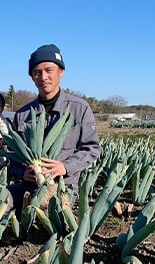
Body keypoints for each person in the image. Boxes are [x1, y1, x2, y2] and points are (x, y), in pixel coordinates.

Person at [8, 44, 101, 209]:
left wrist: (65, 167)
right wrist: (23, 172)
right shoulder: (22, 114)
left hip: (63, 187)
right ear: (32, 77)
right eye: (37, 72)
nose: (43, 77)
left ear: (61, 72)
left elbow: (92, 149)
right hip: (30, 186)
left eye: (49, 70)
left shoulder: (79, 108)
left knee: (51, 215)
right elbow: (13, 155)